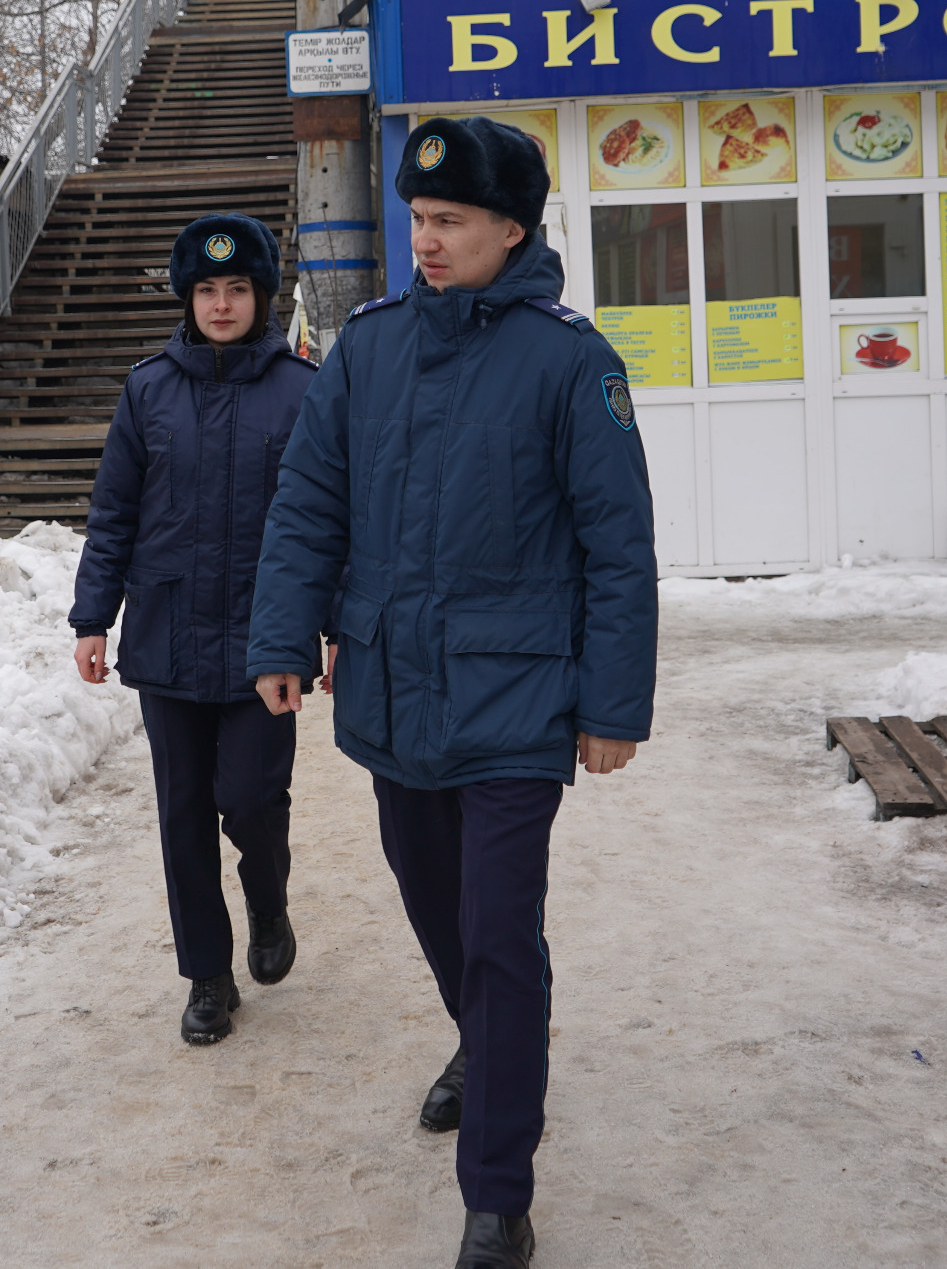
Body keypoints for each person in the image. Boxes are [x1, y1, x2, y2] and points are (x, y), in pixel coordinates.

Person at [247, 117, 656, 1269]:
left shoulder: (572, 361)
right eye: (418, 218)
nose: (425, 239)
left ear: (511, 229)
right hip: (392, 688)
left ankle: (496, 1196)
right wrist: (282, 631)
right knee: (439, 912)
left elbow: (618, 546)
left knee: (499, 931)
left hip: (517, 700)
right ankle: (486, 1041)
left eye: (451, 220)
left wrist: (611, 706)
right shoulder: (368, 348)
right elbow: (308, 502)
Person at [71, 212, 319, 1045]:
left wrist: (333, 627)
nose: (220, 305)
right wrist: (92, 617)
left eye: (236, 289)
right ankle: (207, 976)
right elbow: (114, 512)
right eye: (206, 290)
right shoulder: (148, 390)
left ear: (260, 296)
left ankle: (268, 900)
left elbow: (330, 521)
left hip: (264, 640)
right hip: (167, 635)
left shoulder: (303, 389)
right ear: (188, 298)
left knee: (250, 800)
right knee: (182, 814)